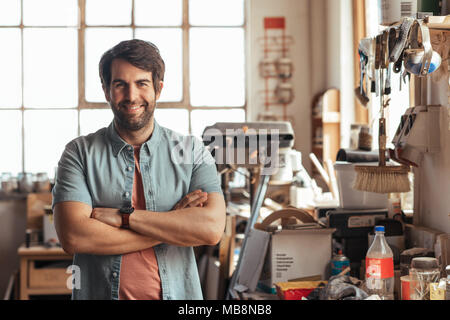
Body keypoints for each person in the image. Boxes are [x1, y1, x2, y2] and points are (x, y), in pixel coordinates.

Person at [52, 39, 226, 300]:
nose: (131, 96)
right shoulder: (79, 153)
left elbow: (210, 229)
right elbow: (75, 237)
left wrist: (124, 219)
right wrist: (171, 226)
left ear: (158, 88)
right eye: (120, 84)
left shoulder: (193, 152)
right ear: (106, 90)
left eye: (142, 83)